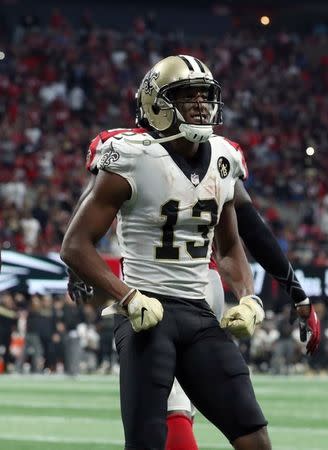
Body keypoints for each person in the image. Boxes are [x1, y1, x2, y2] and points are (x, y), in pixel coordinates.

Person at [60, 55, 314, 450]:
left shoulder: (225, 157)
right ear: (156, 104)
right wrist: (126, 297)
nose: (200, 104)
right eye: (187, 95)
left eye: (204, 95)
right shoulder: (132, 154)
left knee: (254, 436)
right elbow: (75, 244)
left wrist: (248, 297)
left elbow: (231, 243)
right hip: (147, 312)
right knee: (148, 441)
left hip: (199, 312)